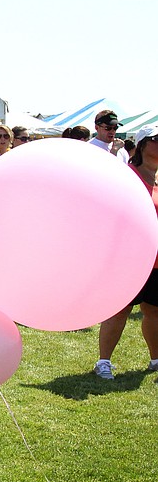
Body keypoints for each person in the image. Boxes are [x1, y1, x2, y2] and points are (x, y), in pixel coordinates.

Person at [92, 124, 158, 381]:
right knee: (120, 310)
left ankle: (155, 359)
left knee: (154, 310)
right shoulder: (126, 176)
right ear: (142, 145)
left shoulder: (156, 180)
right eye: (156, 139)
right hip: (127, 259)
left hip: (154, 261)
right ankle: (103, 361)